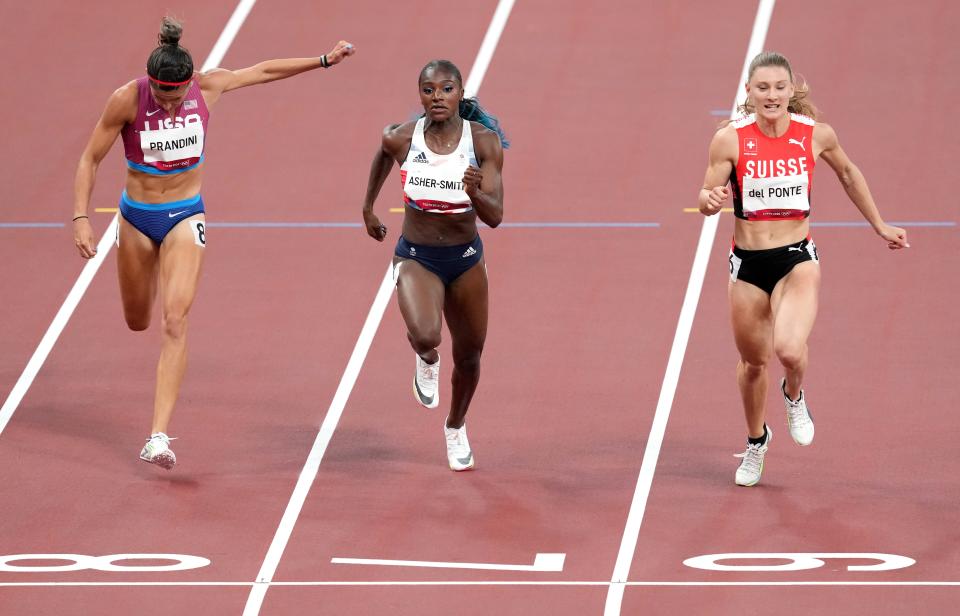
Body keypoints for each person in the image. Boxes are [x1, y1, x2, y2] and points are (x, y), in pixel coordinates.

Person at [71, 17, 355, 469]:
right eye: (162, 96)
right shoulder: (127, 99)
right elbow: (90, 158)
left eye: (177, 96)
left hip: (186, 214)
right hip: (137, 219)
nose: (168, 105)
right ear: (151, 83)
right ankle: (154, 402)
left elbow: (262, 71)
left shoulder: (207, 87)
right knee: (138, 320)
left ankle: (158, 436)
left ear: (190, 82)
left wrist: (322, 60)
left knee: (175, 320)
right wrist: (82, 216)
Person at [698, 51, 908, 487]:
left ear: (792, 90)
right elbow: (705, 194)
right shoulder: (730, 140)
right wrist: (710, 201)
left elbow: (849, 175)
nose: (771, 95)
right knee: (753, 363)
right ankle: (757, 441)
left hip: (797, 258)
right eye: (763, 88)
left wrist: (880, 224)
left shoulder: (816, 135)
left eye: (779, 87)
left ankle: (794, 394)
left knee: (789, 349)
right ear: (749, 93)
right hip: (748, 264)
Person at [361, 59, 506, 471]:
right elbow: (382, 158)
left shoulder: (483, 143)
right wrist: (368, 208)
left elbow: (495, 216)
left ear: (460, 93)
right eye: (428, 90)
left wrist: (474, 193)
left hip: (464, 260)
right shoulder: (402, 138)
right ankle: (425, 359)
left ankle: (455, 427)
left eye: (445, 89)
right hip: (417, 256)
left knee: (471, 358)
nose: (437, 97)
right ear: (420, 95)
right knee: (427, 336)